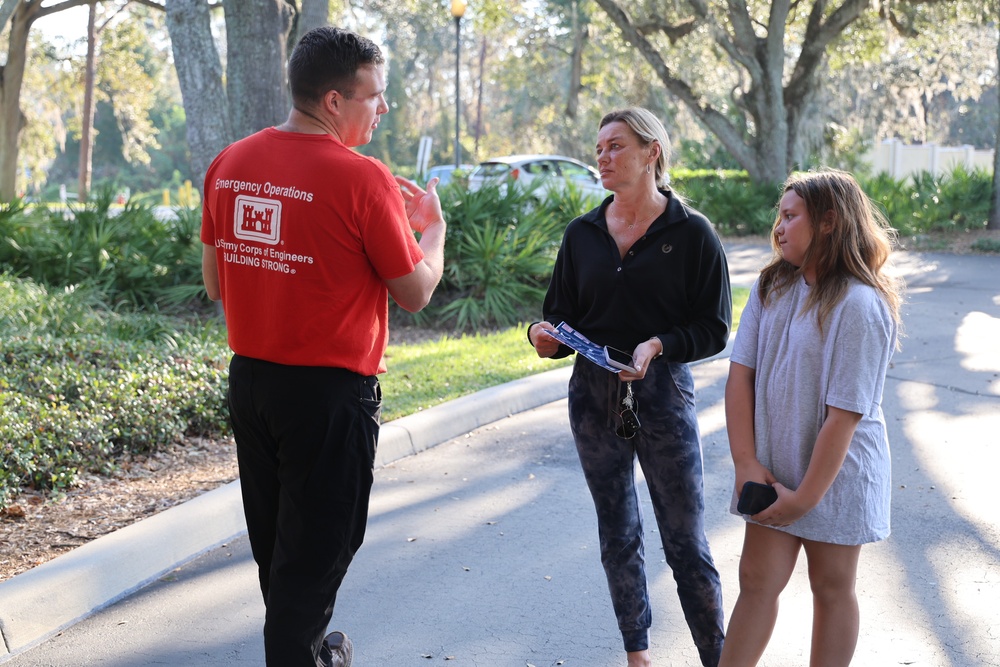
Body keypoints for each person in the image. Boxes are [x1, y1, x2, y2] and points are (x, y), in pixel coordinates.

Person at [200, 27, 446, 667]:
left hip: (252, 385)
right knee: (315, 556)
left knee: (281, 552)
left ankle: (308, 650)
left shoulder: (229, 163)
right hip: (327, 397)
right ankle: (299, 652)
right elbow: (415, 291)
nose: (383, 108)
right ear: (335, 101)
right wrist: (434, 232)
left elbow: (213, 280)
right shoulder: (360, 178)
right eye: (376, 96)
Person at [528, 107, 730, 667]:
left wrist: (660, 344)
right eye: (599, 148)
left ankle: (718, 657)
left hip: (663, 397)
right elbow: (559, 319)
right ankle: (637, 654)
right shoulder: (582, 234)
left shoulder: (692, 233)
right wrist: (543, 338)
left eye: (616, 146)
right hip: (592, 402)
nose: (603, 157)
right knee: (617, 531)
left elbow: (714, 328)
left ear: (651, 153)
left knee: (685, 541)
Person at [719, 169, 903, 666]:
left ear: (828, 222)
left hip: (834, 476)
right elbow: (740, 377)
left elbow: (843, 417)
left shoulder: (860, 305)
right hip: (773, 468)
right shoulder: (770, 287)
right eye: (778, 216)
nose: (778, 227)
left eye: (789, 215)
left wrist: (805, 500)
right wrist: (745, 462)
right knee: (756, 583)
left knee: (831, 586)